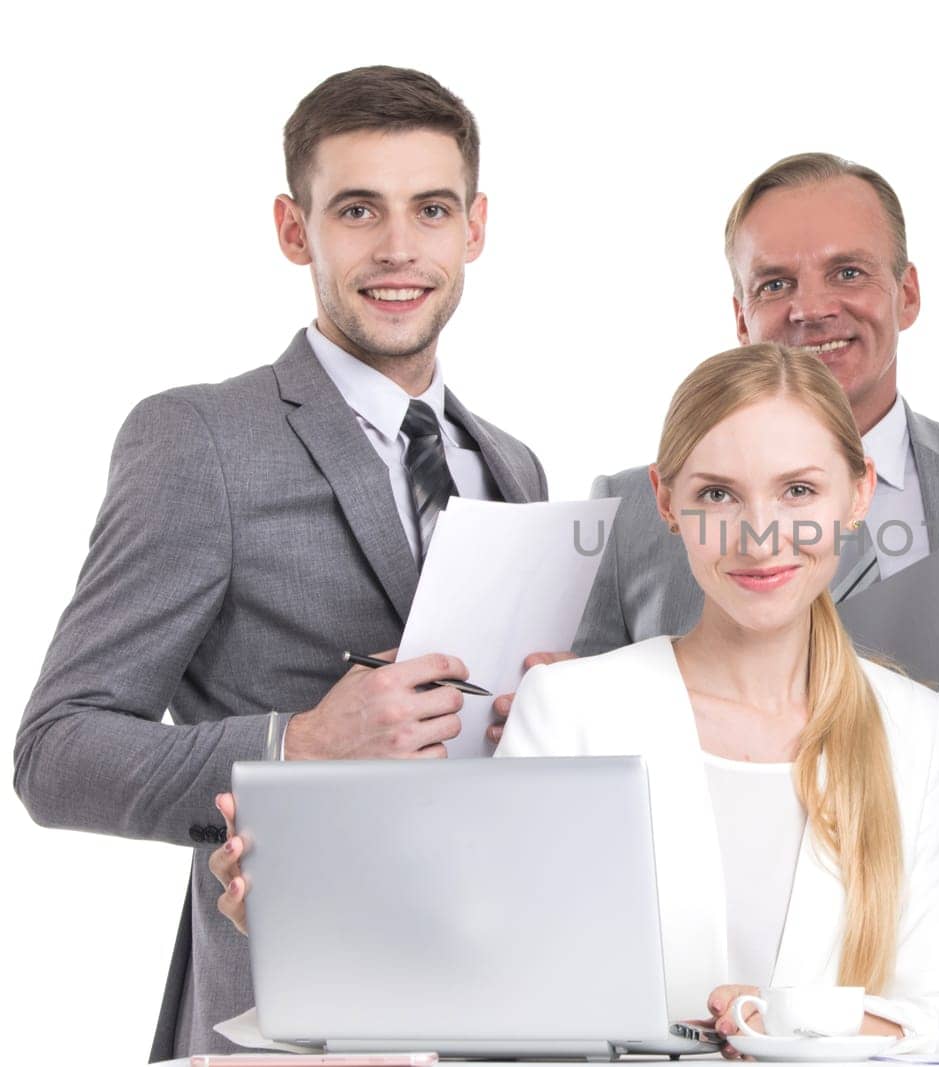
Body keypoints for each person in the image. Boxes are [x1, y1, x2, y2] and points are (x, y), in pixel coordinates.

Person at [215, 344, 939, 1053]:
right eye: (719, 495)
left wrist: (789, 1022)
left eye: (799, 490)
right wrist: (304, 931)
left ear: (858, 493)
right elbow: (484, 982)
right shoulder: (573, 707)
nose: (760, 533)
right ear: (665, 501)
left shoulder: (916, 728)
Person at [13, 67, 547, 1059]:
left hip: (496, 1005)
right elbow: (56, 754)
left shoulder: (509, 462)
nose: (397, 248)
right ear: (294, 229)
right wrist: (297, 742)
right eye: (356, 209)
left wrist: (547, 721)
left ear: (474, 227)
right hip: (285, 1017)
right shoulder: (199, 440)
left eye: (429, 208)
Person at [561, 153, 939, 665]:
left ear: (908, 294)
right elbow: (585, 711)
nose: (811, 309)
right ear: (742, 318)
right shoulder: (626, 511)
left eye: (848, 272)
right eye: (774, 285)